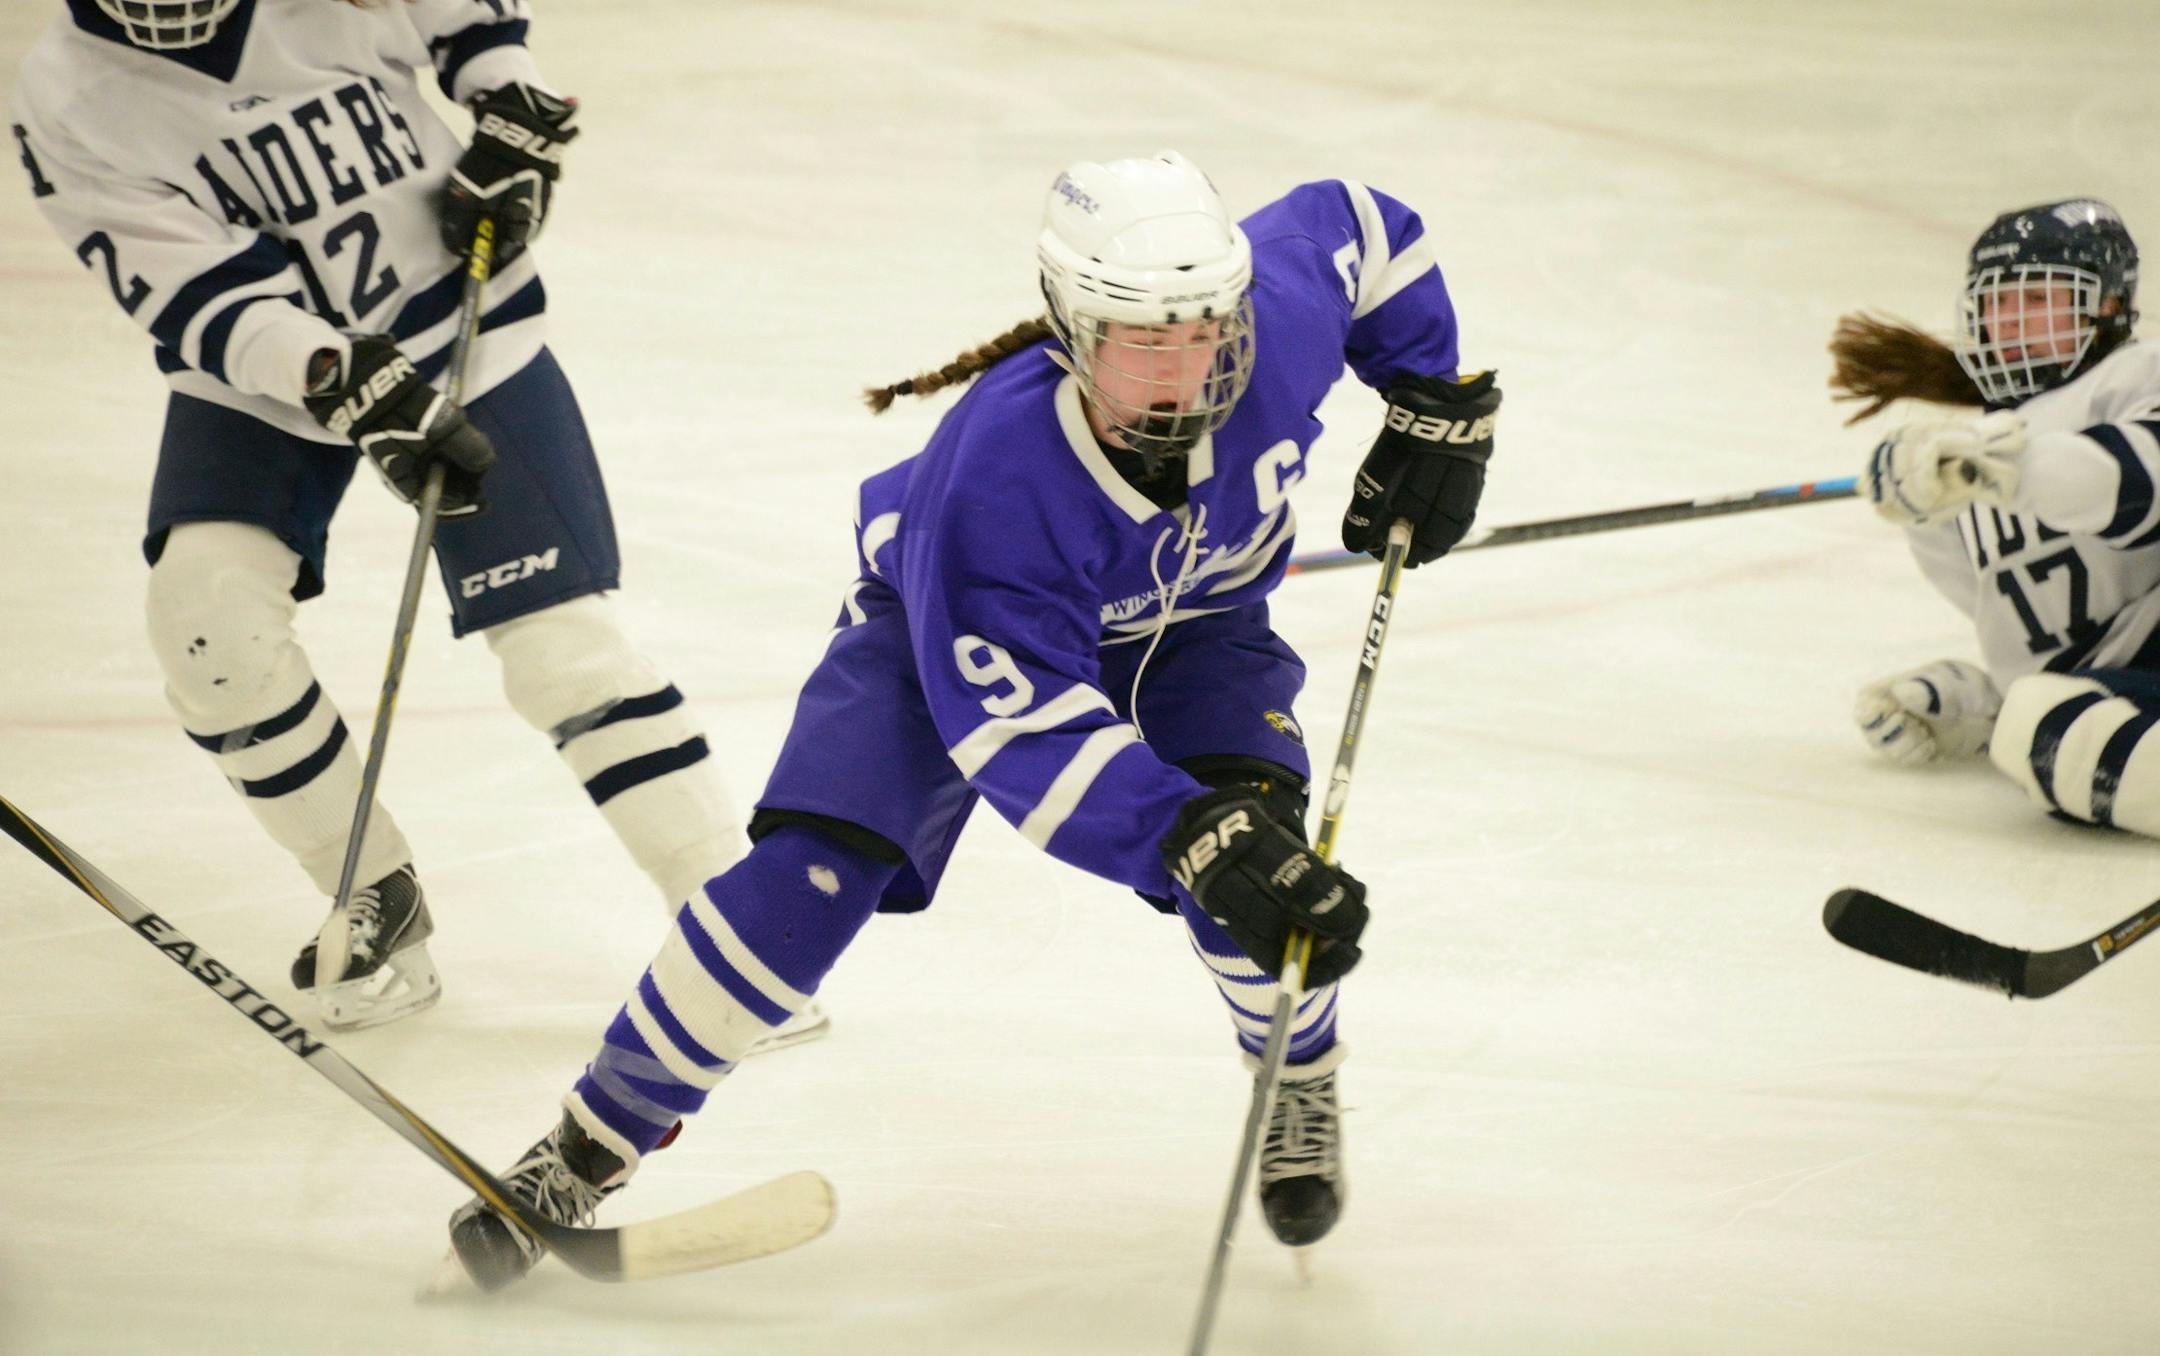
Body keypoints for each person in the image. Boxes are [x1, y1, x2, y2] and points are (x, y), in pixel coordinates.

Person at [438, 149, 1500, 1291]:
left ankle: (1297, 1061)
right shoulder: (999, 478)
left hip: (1197, 628)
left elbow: (1364, 225)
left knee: (1263, 865)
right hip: (934, 635)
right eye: (1146, 339)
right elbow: (1026, 740)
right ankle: (585, 1147)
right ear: (1074, 328)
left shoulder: (1275, 317)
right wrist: (1179, 831)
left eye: (1204, 328)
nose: (1188, 365)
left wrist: (1431, 403)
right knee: (809, 881)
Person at [7, 0, 829, 1043]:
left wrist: (504, 95)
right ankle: (372, 891)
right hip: (268, 381)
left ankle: (733, 921)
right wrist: (332, 374)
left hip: (460, 327)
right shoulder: (68, 95)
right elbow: (182, 286)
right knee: (204, 620)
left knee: (558, 652)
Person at [1831, 198, 2160, 834]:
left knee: (2045, 722)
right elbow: (2062, 649)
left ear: (2108, 306)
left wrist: (2007, 472)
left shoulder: (2137, 377)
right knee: (2043, 722)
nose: (2010, 322)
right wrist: (1984, 711)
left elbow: (2138, 482)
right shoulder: (1975, 460)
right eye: (1996, 303)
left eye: (2037, 301)